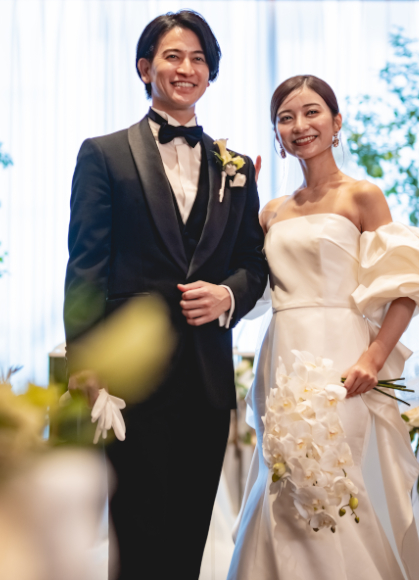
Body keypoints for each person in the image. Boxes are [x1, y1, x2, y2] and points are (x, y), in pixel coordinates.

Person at [63, 10, 268, 580]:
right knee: (135, 538)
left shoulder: (235, 168)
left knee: (187, 538)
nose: (187, 68)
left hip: (205, 381)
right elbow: (85, 267)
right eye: (173, 56)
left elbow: (255, 263)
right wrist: (84, 362)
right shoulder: (103, 154)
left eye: (199, 59)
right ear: (145, 67)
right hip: (129, 378)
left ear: (210, 73)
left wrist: (227, 295)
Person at [227, 75, 419, 580]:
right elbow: (247, 283)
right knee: (280, 480)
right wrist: (238, 205)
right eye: (286, 118)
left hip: (341, 359)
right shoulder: (271, 211)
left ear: (336, 121)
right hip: (281, 357)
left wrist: (374, 356)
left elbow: (406, 286)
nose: (300, 125)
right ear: (277, 133)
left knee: (329, 481)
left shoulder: (362, 195)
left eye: (312, 112)